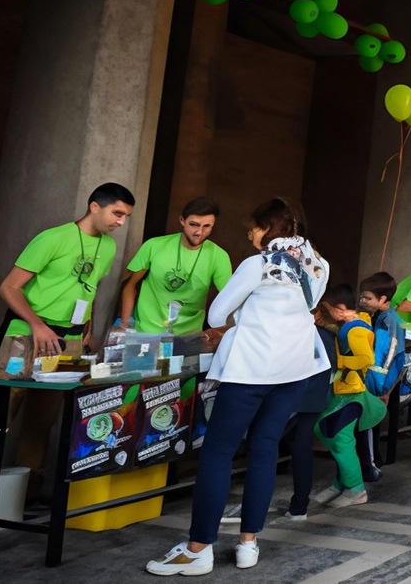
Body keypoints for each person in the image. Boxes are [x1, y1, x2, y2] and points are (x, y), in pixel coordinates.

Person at [0, 183, 134, 539]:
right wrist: (39, 325)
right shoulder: (52, 238)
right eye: (117, 213)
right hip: (26, 337)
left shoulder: (108, 246)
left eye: (125, 217)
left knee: (42, 421)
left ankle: (26, 495)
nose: (120, 222)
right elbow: (9, 287)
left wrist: (85, 329)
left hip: (68, 343)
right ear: (94, 207)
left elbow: (89, 288)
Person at [147, 198, 330, 575]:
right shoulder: (319, 264)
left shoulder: (259, 263)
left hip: (251, 368)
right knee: (265, 447)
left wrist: (246, 313)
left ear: (268, 227)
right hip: (295, 369)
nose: (250, 233)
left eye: (254, 226)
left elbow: (216, 314)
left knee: (218, 453)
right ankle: (249, 543)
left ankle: (198, 549)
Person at [309, 284, 386, 509]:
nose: (323, 313)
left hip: (352, 392)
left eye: (326, 309)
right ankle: (341, 483)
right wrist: (330, 325)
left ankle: (356, 489)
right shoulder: (355, 322)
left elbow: (365, 358)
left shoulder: (356, 330)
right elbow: (345, 332)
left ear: (341, 309)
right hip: (345, 391)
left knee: (340, 440)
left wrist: (339, 362)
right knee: (328, 433)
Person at [119, 197, 233, 336]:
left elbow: (229, 299)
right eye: (194, 224)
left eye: (207, 226)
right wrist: (124, 325)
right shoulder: (154, 246)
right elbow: (131, 284)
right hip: (146, 332)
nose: (199, 232)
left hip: (188, 337)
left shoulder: (219, 256)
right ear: (182, 221)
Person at [282, 318, 334, 523]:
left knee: (262, 447)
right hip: (315, 398)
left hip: (288, 398)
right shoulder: (323, 333)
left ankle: (253, 508)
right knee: (301, 448)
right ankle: (299, 507)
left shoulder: (285, 331)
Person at [357, 273, 407, 481]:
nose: (362, 301)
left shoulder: (388, 321)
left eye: (367, 298)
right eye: (361, 296)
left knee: (368, 427)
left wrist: (384, 389)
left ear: (384, 300)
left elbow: (388, 357)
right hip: (378, 382)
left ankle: (371, 467)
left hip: (379, 384)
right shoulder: (382, 318)